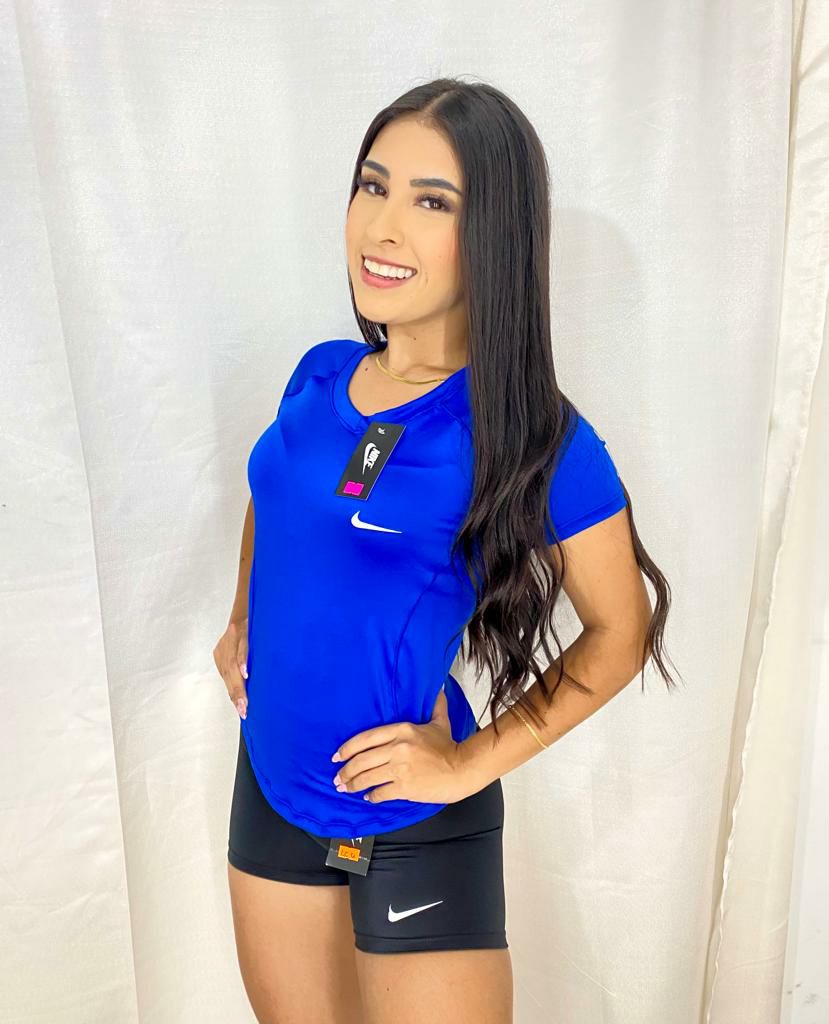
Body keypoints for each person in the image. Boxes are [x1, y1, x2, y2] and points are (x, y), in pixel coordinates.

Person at [213, 77, 678, 1024]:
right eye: (372, 185)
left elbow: (619, 632)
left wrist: (466, 766)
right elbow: (281, 499)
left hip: (415, 817)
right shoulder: (318, 375)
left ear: (495, 234)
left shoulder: (530, 433)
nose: (382, 227)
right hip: (270, 786)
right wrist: (238, 621)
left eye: (432, 203)